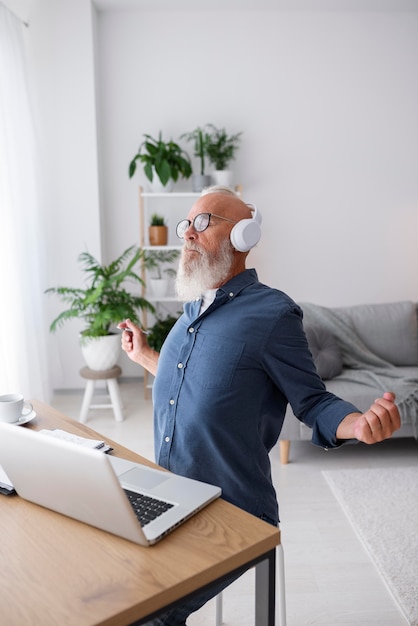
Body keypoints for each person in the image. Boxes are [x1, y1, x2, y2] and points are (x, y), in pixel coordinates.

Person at [119, 185, 400, 625]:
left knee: (146, 612)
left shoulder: (273, 314)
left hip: (231, 512)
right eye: (185, 224)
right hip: (172, 497)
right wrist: (144, 357)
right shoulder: (191, 313)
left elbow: (312, 400)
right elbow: (193, 383)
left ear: (243, 236)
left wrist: (357, 423)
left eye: (203, 222)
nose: (188, 233)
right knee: (101, 576)